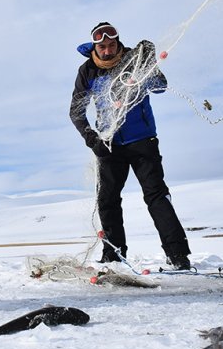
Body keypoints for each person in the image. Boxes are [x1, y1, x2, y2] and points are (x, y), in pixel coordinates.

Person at [69, 22, 191, 270]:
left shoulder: (133, 60)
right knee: (107, 200)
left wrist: (149, 62)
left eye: (112, 45)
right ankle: (114, 255)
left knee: (157, 196)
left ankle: (178, 255)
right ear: (95, 46)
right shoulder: (88, 71)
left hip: (143, 141)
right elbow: (76, 111)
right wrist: (92, 139)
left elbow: (160, 87)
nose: (107, 50)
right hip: (109, 144)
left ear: (118, 43)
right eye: (102, 46)